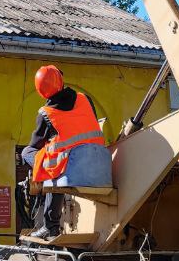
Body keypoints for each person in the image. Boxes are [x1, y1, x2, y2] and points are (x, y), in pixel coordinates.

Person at [20, 65, 113, 240]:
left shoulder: (45, 113)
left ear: (40, 91)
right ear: (61, 80)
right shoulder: (85, 99)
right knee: (55, 164)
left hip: (71, 169)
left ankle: (50, 226)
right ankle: (47, 178)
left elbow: (35, 144)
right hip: (100, 162)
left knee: (29, 152)